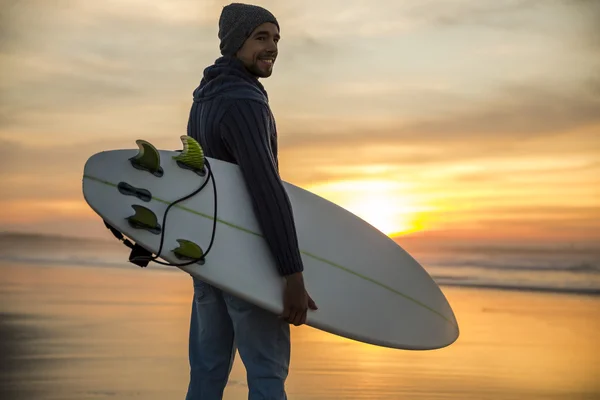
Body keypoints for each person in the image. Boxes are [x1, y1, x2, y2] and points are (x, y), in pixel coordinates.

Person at [185, 3, 317, 399]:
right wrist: (292, 274)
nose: (272, 47)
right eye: (261, 37)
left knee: (207, 370)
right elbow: (264, 189)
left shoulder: (205, 98)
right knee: (266, 372)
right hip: (246, 260)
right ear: (235, 42)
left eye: (276, 39)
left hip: (210, 257)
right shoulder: (244, 101)